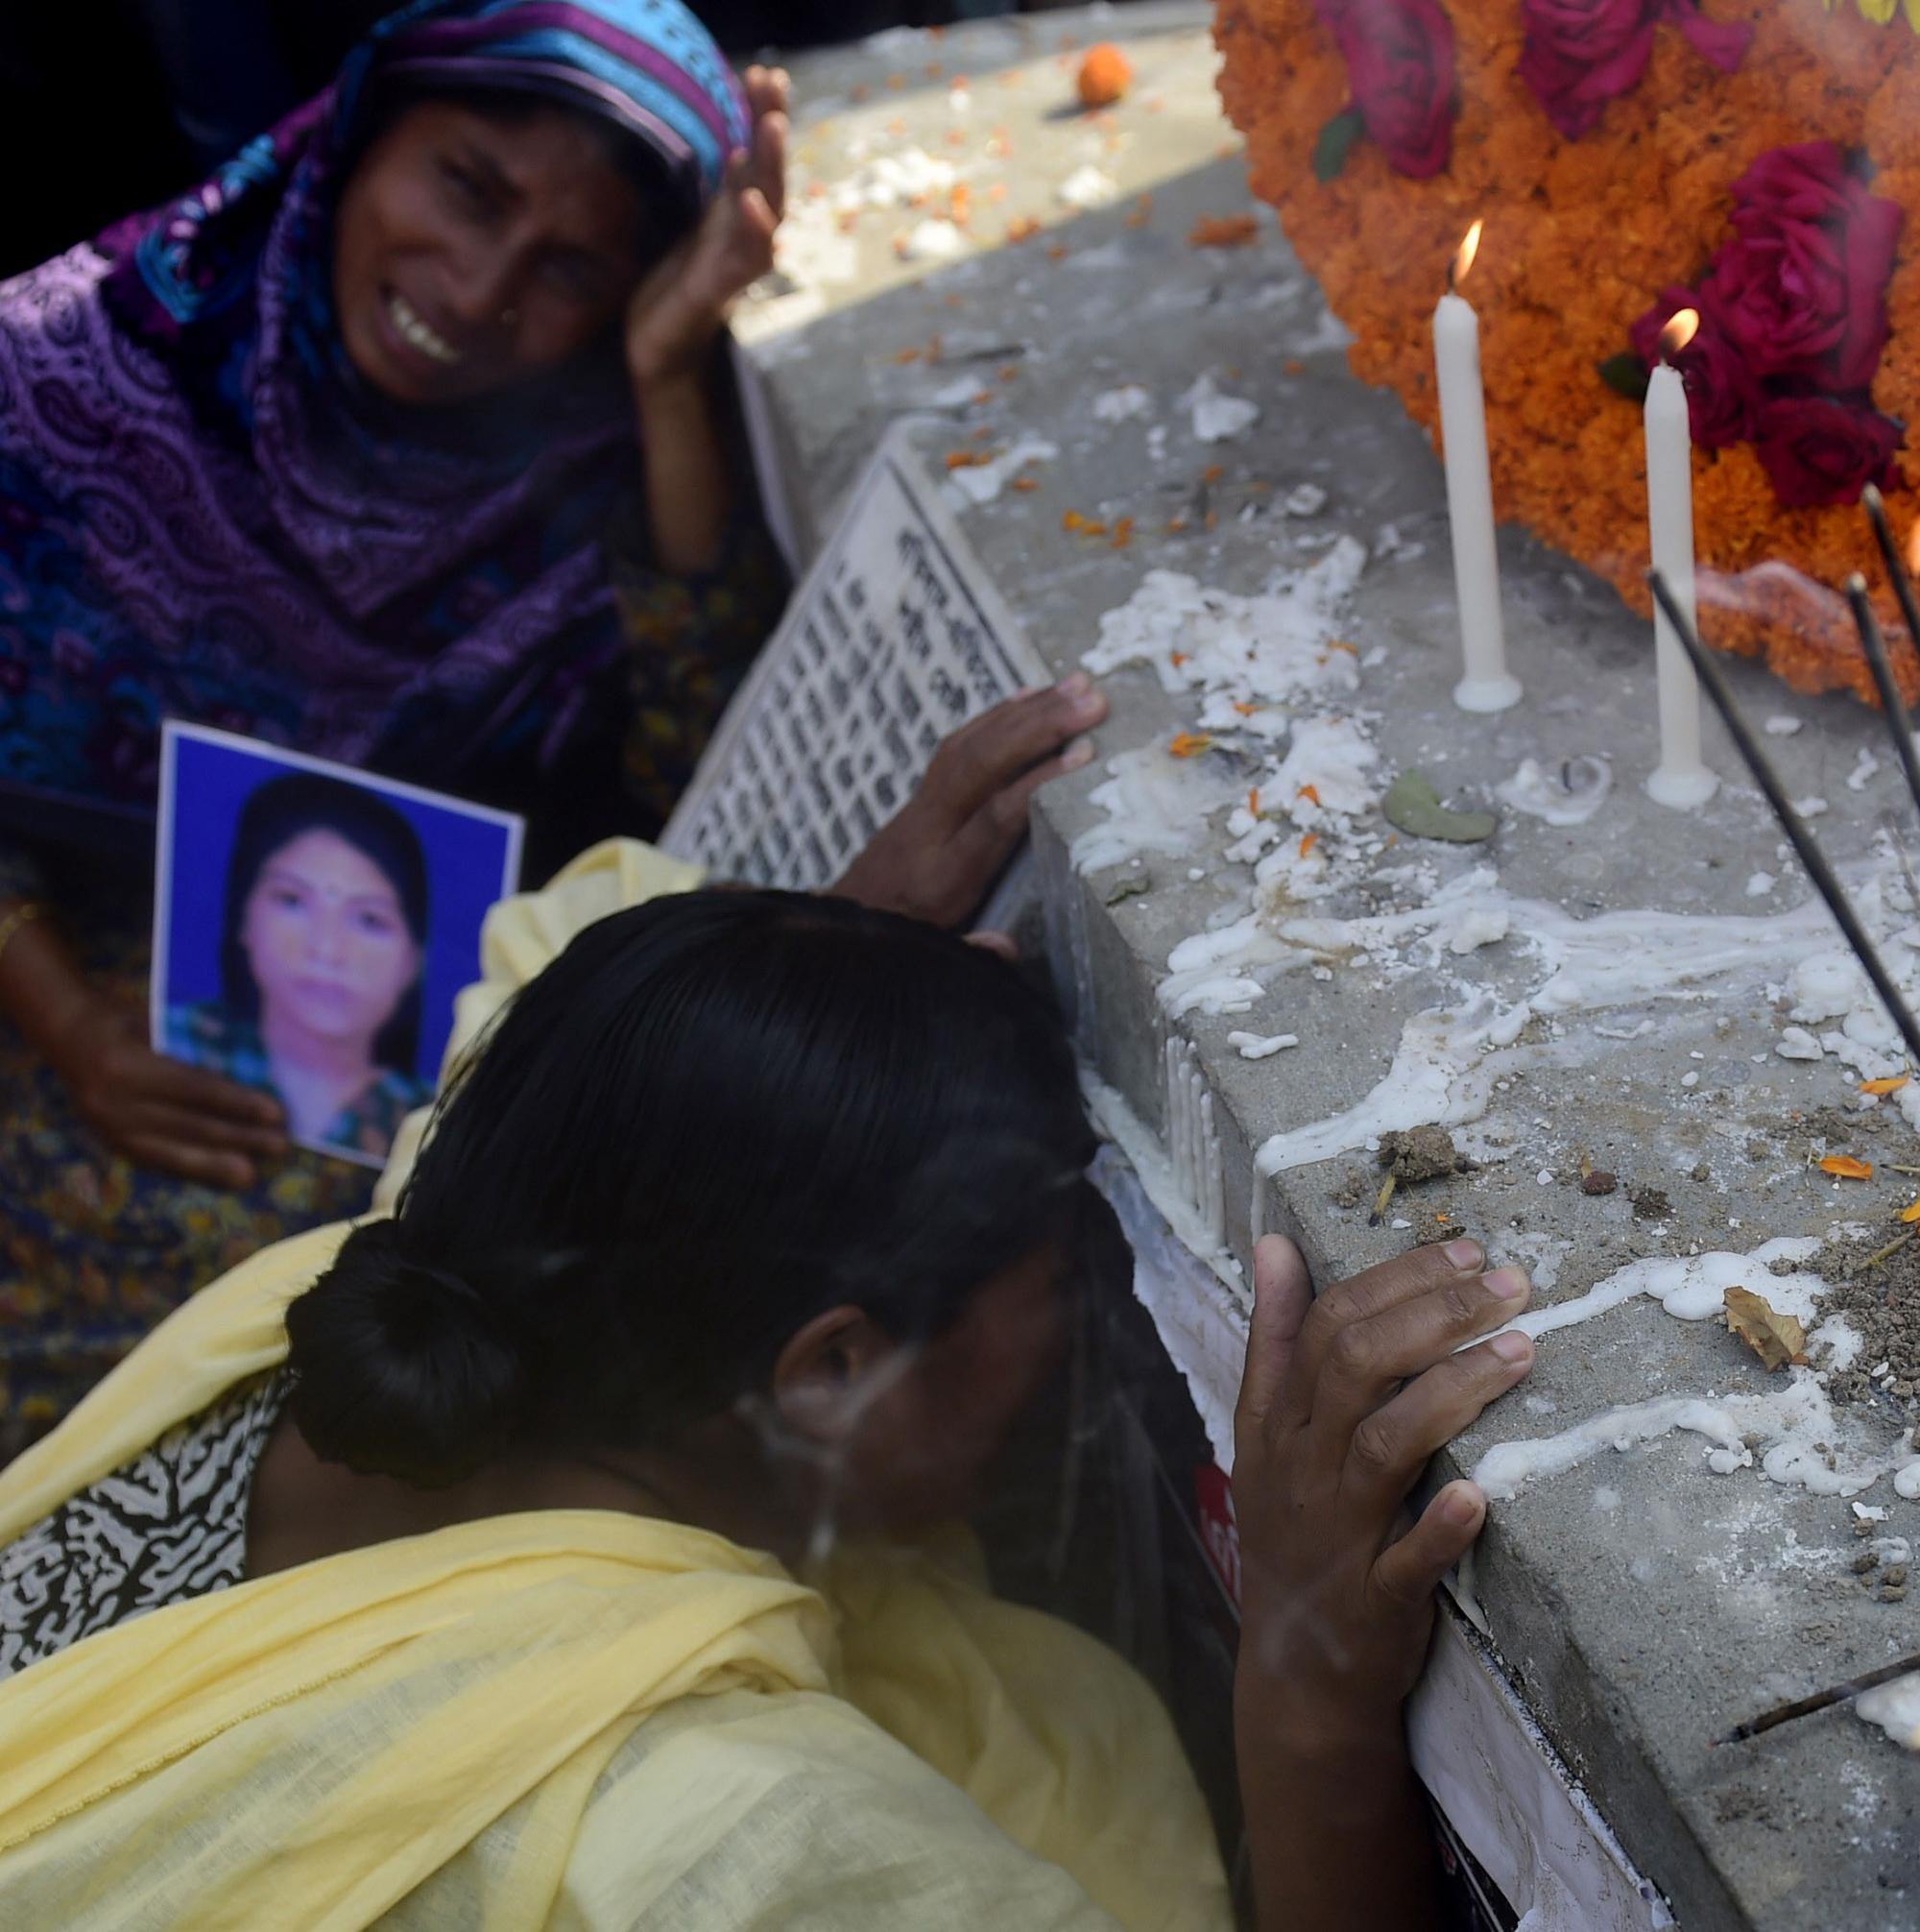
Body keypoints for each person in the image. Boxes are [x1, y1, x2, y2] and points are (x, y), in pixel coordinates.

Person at [0, 845, 1537, 1929]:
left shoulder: (361, 1310)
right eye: (1057, 1274)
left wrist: (799, 1021)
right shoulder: (710, 1832)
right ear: (839, 1372)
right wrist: (1313, 1680)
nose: (1081, 1319)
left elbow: (562, 982)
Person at [0, 0, 1106, 1451]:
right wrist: (76, 1031)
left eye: (572, 268)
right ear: (361, 127)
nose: (475, 290)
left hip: (425, 1064)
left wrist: (660, 372)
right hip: (67, 1006)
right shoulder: (59, 376)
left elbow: (697, 762)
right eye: (466, 186)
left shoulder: (577, 451)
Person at [164, 774, 436, 1161]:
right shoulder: (173, 1043)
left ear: (414, 960)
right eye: (292, 900)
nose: (325, 949)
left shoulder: (443, 1122)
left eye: (370, 920)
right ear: (242, 918)